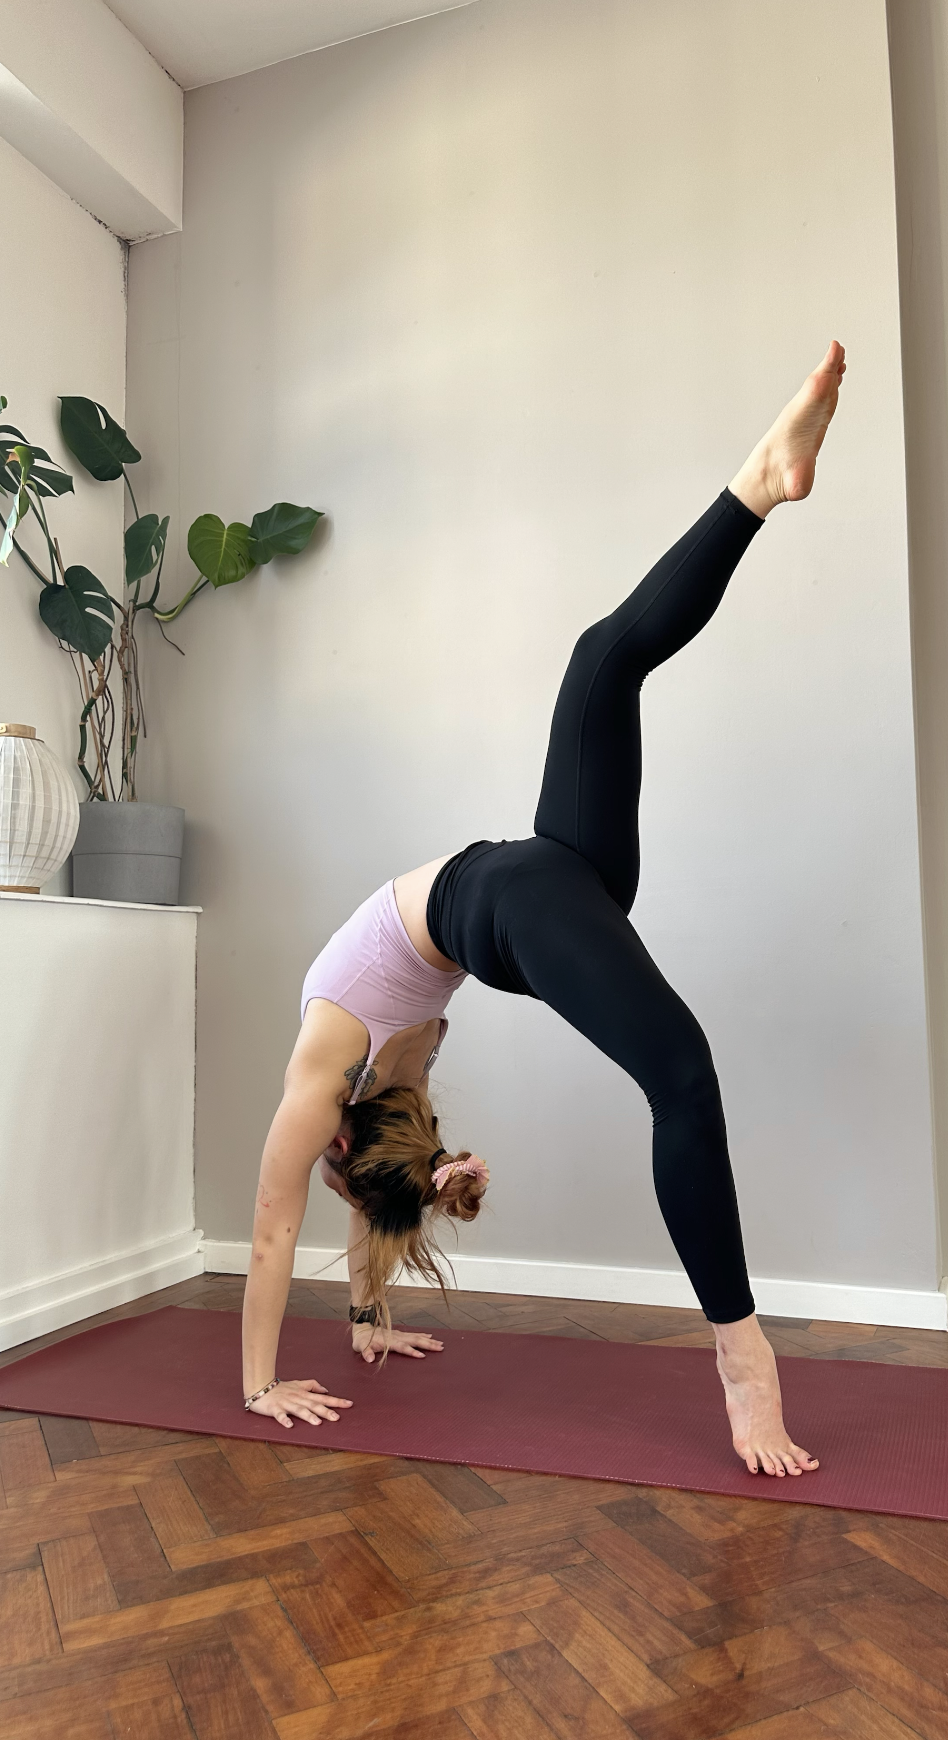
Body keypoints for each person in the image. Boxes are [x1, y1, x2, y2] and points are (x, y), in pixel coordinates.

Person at [242, 341, 847, 1476]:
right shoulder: (376, 1083)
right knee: (681, 1074)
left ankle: (757, 485)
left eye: (394, 1137)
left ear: (349, 1131)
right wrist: (409, 1209)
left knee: (600, 661)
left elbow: (280, 1223)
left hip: (561, 869)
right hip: (524, 897)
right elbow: (325, 1203)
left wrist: (316, 1345)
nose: (423, 1089)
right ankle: (742, 1356)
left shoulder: (328, 1064)